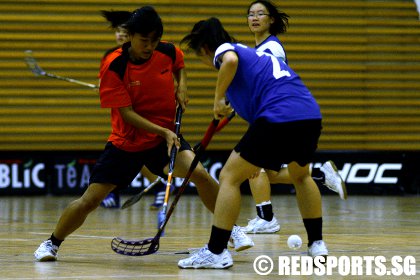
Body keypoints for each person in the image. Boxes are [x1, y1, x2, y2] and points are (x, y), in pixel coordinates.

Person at [33, 6, 253, 262]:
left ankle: (231, 229)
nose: (150, 46)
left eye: (155, 40)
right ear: (130, 36)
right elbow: (126, 114)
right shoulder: (114, 65)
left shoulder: (167, 51)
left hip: (162, 141)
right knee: (89, 201)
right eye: (144, 40)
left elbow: (179, 63)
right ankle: (51, 243)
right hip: (126, 143)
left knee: (201, 175)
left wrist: (182, 85)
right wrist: (164, 131)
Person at [178, 17, 330, 269]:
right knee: (300, 175)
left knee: (229, 177)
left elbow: (229, 61)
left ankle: (216, 251)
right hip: (309, 115)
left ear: (204, 49)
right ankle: (317, 244)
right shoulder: (253, 57)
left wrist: (217, 100)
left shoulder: (226, 50)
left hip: (278, 116)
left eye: (201, 58)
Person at [241, 0, 347, 235]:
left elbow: (273, 82)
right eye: (250, 14)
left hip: (277, 117)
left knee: (252, 166)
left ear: (272, 20)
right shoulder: (260, 49)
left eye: (260, 14)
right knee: (272, 174)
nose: (254, 17)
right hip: (272, 114)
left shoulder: (272, 49)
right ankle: (319, 174)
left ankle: (266, 219)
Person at [98, 10, 173, 210]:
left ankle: (160, 186)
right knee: (123, 160)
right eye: (119, 31)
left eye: (124, 30)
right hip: (124, 121)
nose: (120, 34)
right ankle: (114, 193)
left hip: (149, 125)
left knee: (138, 159)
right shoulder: (113, 61)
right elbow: (107, 86)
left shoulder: (158, 54)